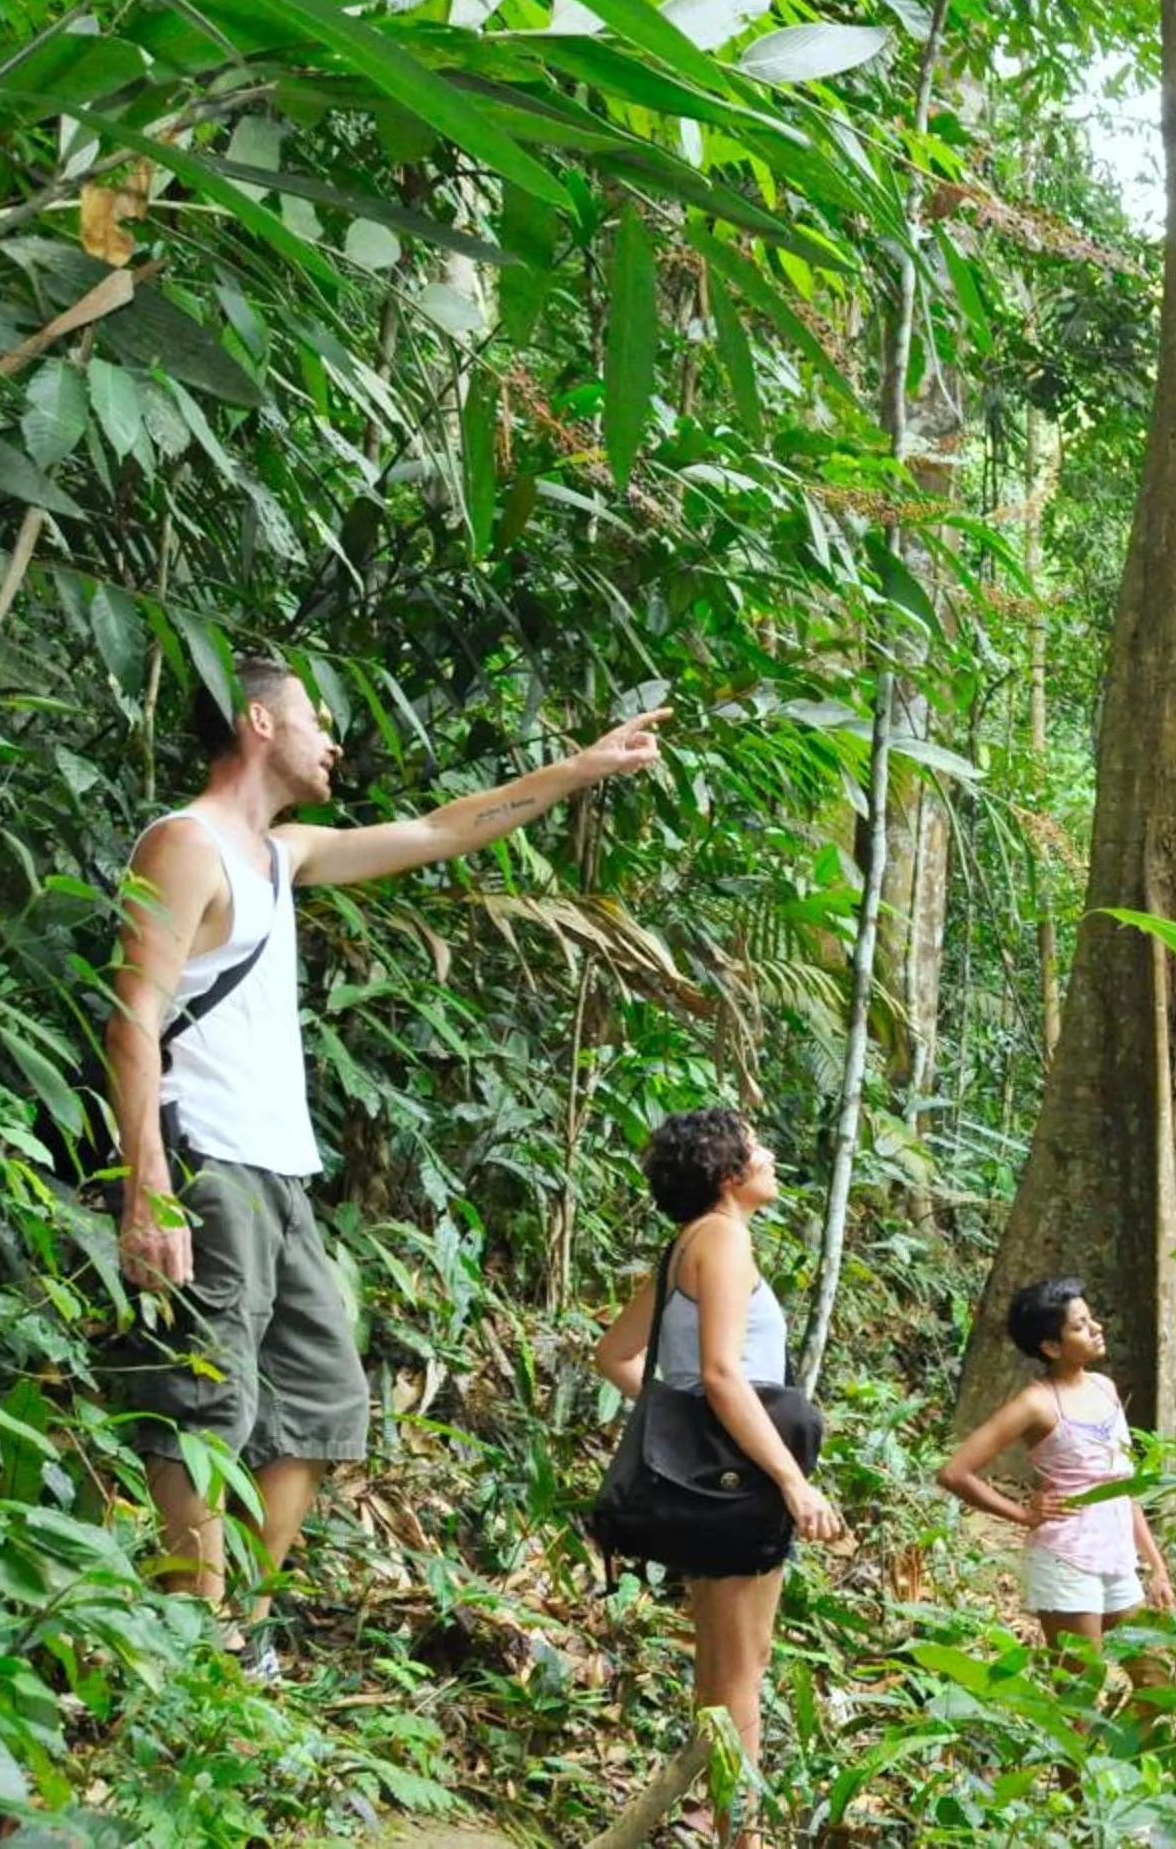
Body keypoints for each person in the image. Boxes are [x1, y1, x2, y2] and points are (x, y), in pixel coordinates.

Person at [105, 652, 667, 1668]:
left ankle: (233, 1624)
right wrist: (146, 1184)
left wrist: (579, 770)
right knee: (206, 1402)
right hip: (204, 1159)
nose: (334, 738)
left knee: (322, 1399)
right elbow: (134, 1012)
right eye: (315, 717)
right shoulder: (185, 846)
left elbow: (444, 828)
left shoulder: (284, 852)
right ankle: (199, 1641)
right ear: (257, 723)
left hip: (278, 1171)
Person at [595, 1108, 845, 1840]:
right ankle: (741, 1831)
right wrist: (793, 1482)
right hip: (740, 1479)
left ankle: (709, 1812)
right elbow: (723, 1374)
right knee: (743, 1667)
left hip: (702, 1478)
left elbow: (616, 1356)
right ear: (729, 1174)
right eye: (755, 1146)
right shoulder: (727, 1240)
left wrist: (684, 1426)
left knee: (723, 1660)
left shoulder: (685, 1246)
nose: (769, 1155)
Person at [937, 1276, 1175, 1658]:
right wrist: (1022, 1515)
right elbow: (955, 1472)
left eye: (1091, 1319)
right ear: (1050, 1347)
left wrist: (1156, 1567)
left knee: (1155, 1682)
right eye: (1080, 1326)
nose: (1097, 1329)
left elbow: (1122, 1487)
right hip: (1068, 1562)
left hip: (1117, 1560)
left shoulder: (1105, 1387)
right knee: (1081, 1692)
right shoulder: (1036, 1403)